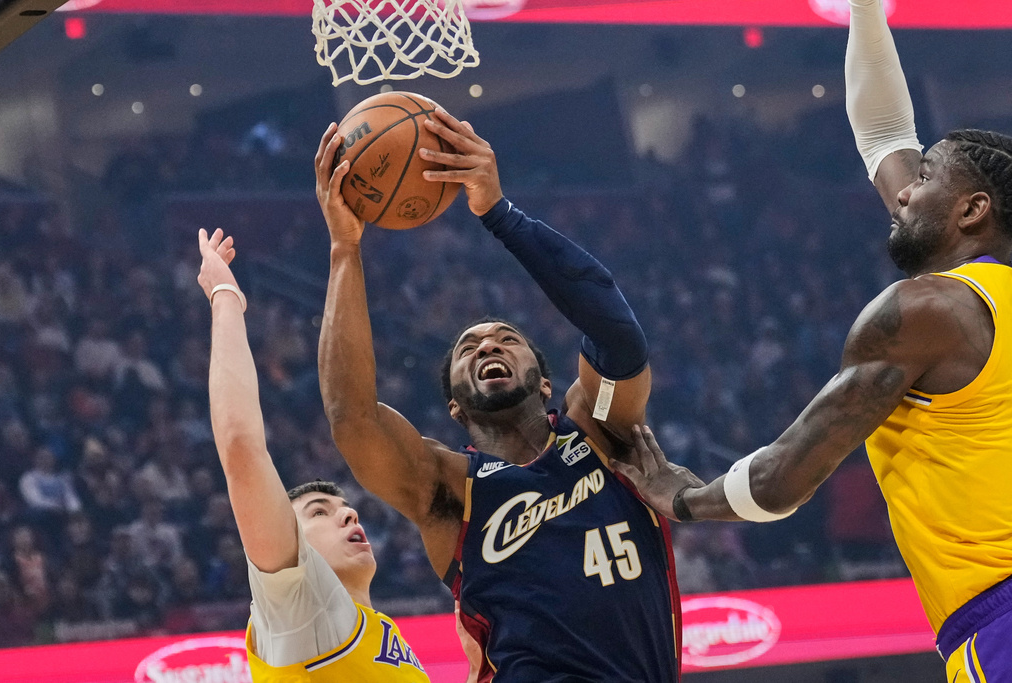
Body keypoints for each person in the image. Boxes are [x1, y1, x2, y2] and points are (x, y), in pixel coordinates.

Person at [610, 1, 1012, 679]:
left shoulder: (929, 310)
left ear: (972, 210)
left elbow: (780, 481)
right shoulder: (972, 296)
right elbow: (886, 136)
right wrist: (864, 9)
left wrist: (680, 495)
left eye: (924, 179)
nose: (902, 191)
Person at [316, 108, 685, 682]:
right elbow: (352, 417)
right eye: (469, 349)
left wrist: (500, 214)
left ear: (544, 381)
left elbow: (616, 333)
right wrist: (345, 250)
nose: (488, 345)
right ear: (454, 407)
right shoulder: (447, 489)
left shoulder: (601, 434)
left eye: (507, 339)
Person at [196, 228, 431, 682]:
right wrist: (226, 296)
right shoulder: (301, 604)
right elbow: (242, 448)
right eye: (320, 512)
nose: (350, 517)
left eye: (346, 509)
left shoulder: (375, 631)